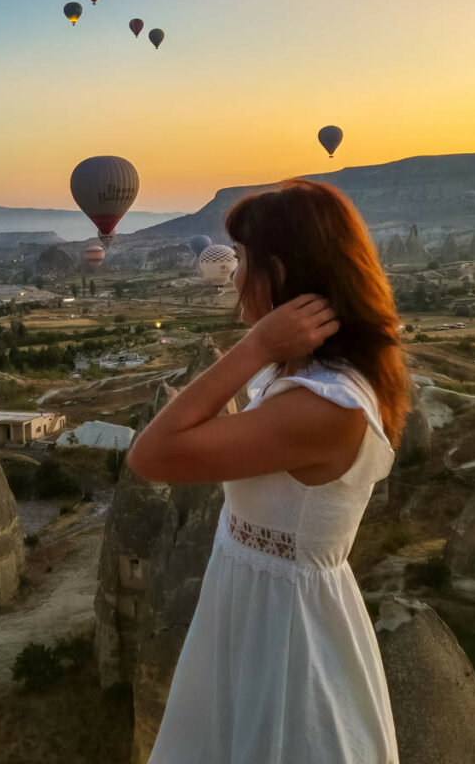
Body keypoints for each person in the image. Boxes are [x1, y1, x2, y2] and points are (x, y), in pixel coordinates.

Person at [127, 179, 407, 763]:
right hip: (253, 611)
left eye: (244, 262)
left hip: (287, 641)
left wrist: (252, 346)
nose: (232, 276)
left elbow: (151, 455)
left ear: (279, 272)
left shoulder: (322, 407)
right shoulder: (298, 377)